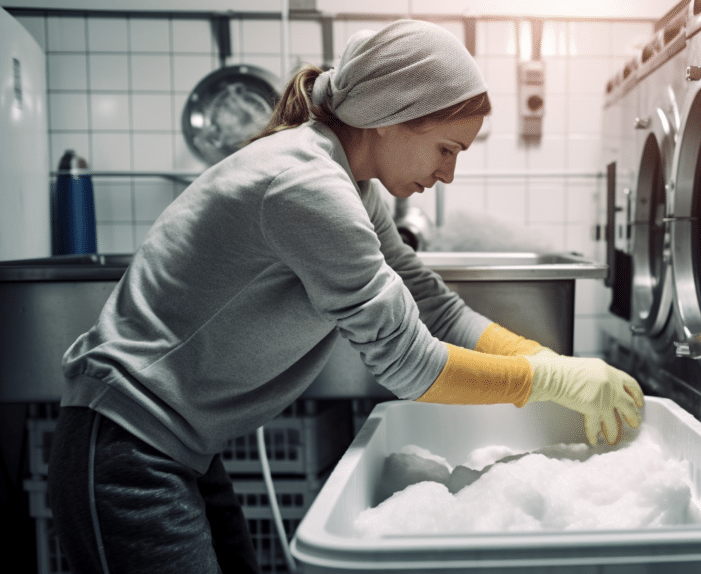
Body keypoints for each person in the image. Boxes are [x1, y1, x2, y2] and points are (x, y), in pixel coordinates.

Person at [48, 19, 644, 574]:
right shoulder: (307, 185)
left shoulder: (351, 187)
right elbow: (410, 365)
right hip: (125, 447)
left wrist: (543, 360)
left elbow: (432, 306)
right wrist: (550, 384)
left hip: (178, 446)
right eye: (446, 149)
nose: (449, 174)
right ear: (389, 115)